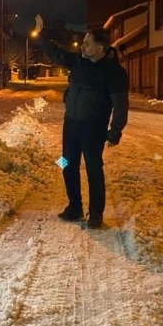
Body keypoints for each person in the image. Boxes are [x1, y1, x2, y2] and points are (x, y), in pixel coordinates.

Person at [34, 15, 129, 229]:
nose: (82, 46)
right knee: (66, 163)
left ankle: (96, 214)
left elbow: (121, 106)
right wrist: (41, 34)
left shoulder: (115, 73)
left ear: (100, 48)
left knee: (94, 169)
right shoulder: (78, 62)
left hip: (93, 129)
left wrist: (114, 133)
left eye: (87, 43)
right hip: (71, 125)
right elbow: (56, 54)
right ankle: (74, 206)